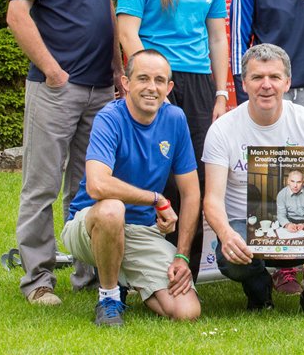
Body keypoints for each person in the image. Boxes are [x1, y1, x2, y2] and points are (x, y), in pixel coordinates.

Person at [7, 0, 120, 305]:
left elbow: (108, 8)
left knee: (90, 184)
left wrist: (116, 65)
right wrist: (52, 69)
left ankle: (88, 274)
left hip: (100, 86)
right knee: (41, 186)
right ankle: (37, 279)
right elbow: (18, 15)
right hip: (55, 88)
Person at [203, 43, 304, 316]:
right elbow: (211, 199)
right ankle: (259, 289)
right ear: (244, 83)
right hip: (250, 234)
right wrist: (226, 234)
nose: (266, 85)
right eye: (257, 77)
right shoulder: (222, 130)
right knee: (227, 250)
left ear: (287, 82)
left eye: (274, 77)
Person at [117, 0, 229, 276]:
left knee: (192, 175)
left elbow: (217, 38)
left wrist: (221, 91)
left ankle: (186, 270)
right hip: (155, 81)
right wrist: (151, 81)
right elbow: (127, 31)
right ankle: (140, 268)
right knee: (150, 172)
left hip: (198, 86)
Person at [61, 49, 201, 326]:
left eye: (160, 80)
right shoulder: (109, 117)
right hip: (90, 224)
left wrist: (183, 255)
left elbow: (191, 193)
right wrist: (155, 199)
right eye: (143, 78)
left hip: (140, 231)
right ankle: (109, 297)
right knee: (113, 209)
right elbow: (98, 184)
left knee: (186, 312)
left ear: (169, 87)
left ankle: (124, 275)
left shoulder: (175, 119)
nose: (152, 88)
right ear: (126, 83)